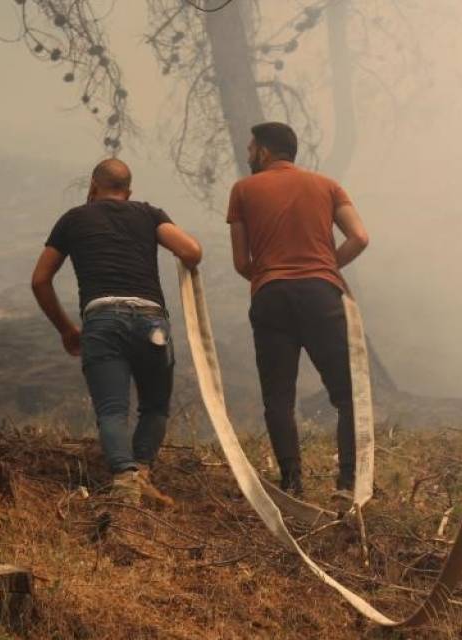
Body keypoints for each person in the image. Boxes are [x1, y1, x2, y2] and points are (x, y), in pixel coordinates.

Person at [31, 159, 202, 506]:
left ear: (93, 187)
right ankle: (143, 471)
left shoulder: (74, 219)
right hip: (151, 323)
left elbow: (40, 280)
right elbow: (191, 251)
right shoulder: (149, 214)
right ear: (128, 191)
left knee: (112, 409)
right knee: (155, 407)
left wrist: (66, 329)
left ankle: (125, 480)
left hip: (103, 321)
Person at [226, 121, 370, 499]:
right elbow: (360, 237)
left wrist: (270, 277)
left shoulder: (242, 190)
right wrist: (326, 268)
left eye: (251, 149)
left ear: (264, 152)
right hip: (321, 294)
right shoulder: (328, 186)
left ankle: (292, 484)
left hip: (270, 296)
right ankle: (347, 483)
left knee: (278, 398)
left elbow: (241, 262)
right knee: (346, 394)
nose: (248, 155)